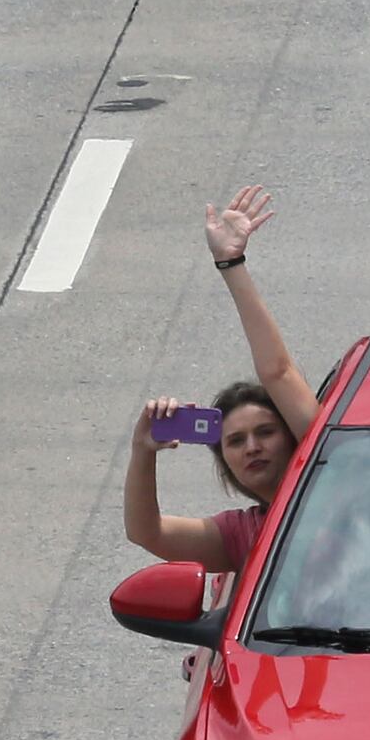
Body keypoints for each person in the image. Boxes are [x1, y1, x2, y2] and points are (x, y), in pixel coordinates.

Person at [123, 185, 318, 571]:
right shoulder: (241, 534)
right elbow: (148, 533)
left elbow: (277, 371)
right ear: (224, 460)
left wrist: (232, 265)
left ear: (296, 436)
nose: (252, 447)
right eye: (235, 441)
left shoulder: (331, 486)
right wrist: (142, 451)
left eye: (265, 432)